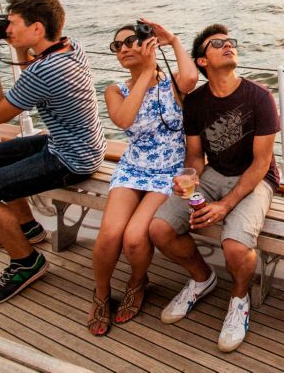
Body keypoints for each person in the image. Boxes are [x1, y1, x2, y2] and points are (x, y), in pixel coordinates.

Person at [0, 0, 106, 306]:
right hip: (79, 142)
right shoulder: (69, 46)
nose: (5, 29)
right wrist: (21, 47)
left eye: (11, 24)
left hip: (71, 157)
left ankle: (27, 262)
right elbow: (32, 78)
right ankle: (27, 229)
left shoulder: (47, 70)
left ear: (37, 29)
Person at [148, 24, 280, 353]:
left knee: (235, 247)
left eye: (230, 42)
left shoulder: (259, 97)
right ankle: (201, 278)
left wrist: (225, 206)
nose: (228, 46)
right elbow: (195, 156)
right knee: (160, 229)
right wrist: (188, 178)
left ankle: (238, 299)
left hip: (255, 178)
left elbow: (262, 163)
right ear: (202, 61)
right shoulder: (195, 102)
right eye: (217, 43)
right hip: (214, 175)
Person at [87, 19, 198, 336]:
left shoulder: (173, 84)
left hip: (168, 170)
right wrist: (146, 73)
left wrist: (172, 39)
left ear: (147, 43)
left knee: (135, 238)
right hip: (132, 168)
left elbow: (191, 76)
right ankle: (101, 293)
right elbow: (124, 118)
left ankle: (137, 282)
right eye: (116, 46)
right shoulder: (115, 90)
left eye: (129, 41)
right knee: (109, 235)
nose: (122, 48)